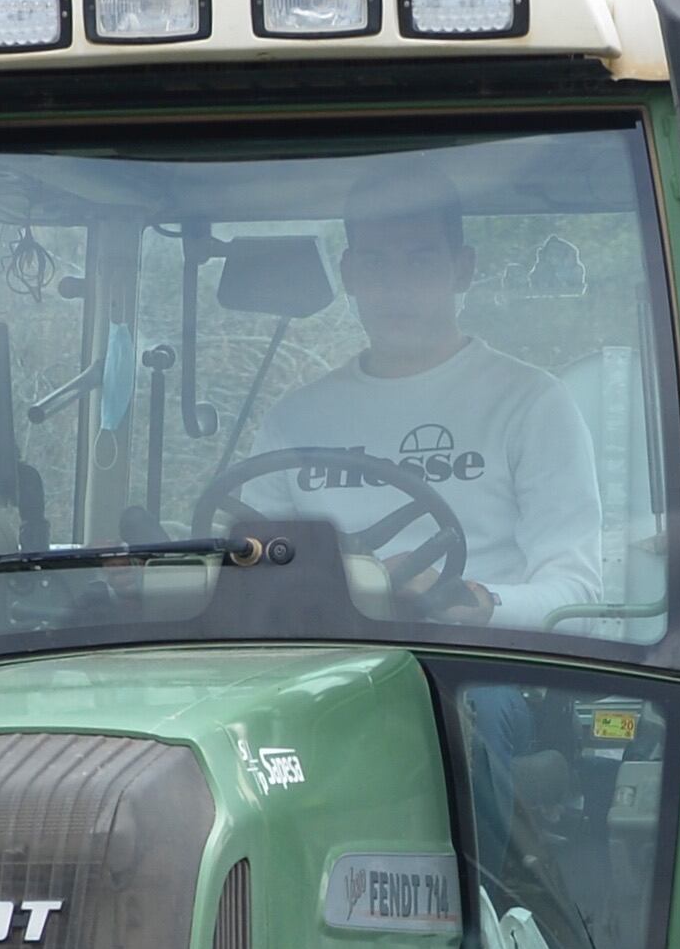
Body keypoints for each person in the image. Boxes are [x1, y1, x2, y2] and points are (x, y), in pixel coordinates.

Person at [259, 182, 607, 631]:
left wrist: (478, 603)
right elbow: (251, 575)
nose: (395, 287)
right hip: (328, 660)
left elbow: (576, 600)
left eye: (419, 261)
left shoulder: (531, 403)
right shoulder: (293, 421)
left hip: (481, 668)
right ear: (349, 273)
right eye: (375, 263)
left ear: (463, 269)